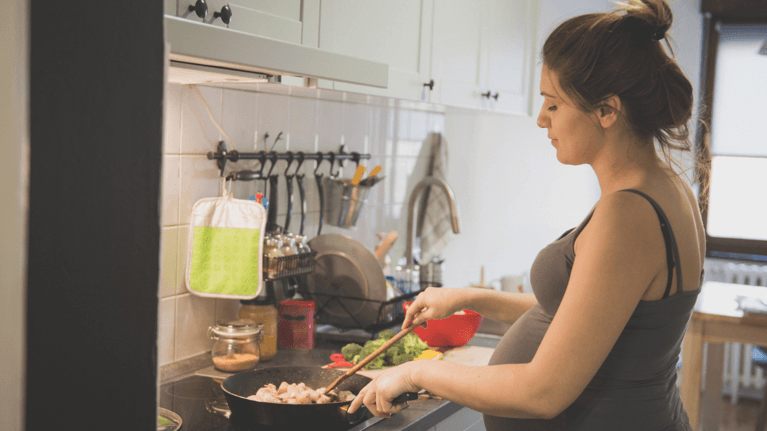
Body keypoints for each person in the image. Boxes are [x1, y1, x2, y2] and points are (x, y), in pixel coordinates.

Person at [347, 0, 706, 429]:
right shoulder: (664, 187)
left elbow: (543, 392)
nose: (540, 120)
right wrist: (468, 297)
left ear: (607, 111)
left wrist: (416, 371)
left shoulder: (627, 213)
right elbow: (590, 313)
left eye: (553, 105)